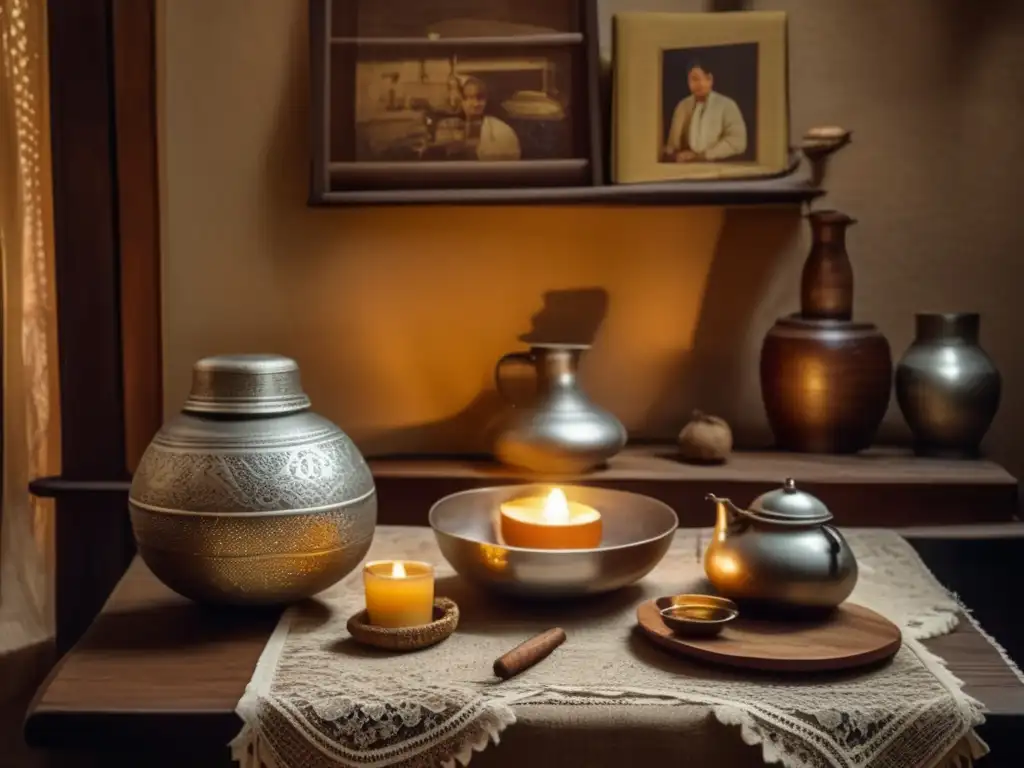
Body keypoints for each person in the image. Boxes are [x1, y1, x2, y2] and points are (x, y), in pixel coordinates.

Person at [663, 61, 747, 163]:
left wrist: (704, 156)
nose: (696, 84)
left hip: (719, 166)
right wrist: (676, 155)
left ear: (709, 79)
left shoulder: (727, 105)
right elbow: (671, 146)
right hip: (686, 167)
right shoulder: (683, 106)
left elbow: (738, 142)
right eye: (692, 80)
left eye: (698, 78)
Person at [459, 76, 521, 161]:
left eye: (480, 98)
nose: (475, 104)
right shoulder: (451, 127)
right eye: (469, 98)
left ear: (486, 100)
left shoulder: (502, 130)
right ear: (462, 101)